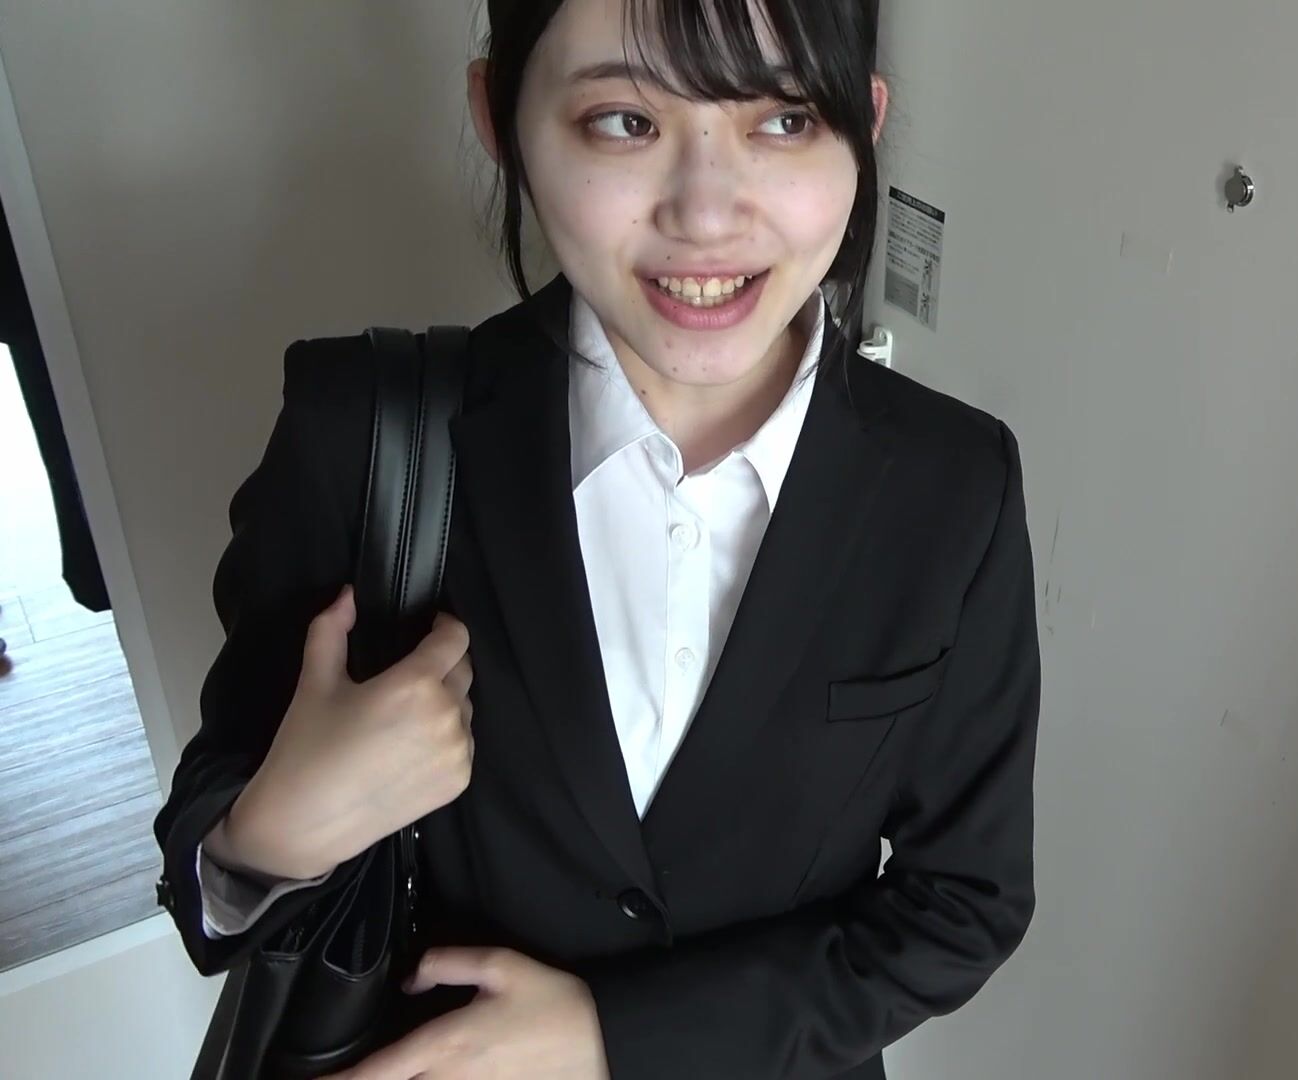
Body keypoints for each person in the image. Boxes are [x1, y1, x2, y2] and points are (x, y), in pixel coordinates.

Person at [150, 1, 1041, 1076]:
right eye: (625, 120)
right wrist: (270, 836)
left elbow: (965, 904)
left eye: (786, 119)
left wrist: (613, 1038)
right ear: (500, 118)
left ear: (866, 125)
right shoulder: (366, 435)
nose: (707, 216)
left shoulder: (954, 486)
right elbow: (210, 857)